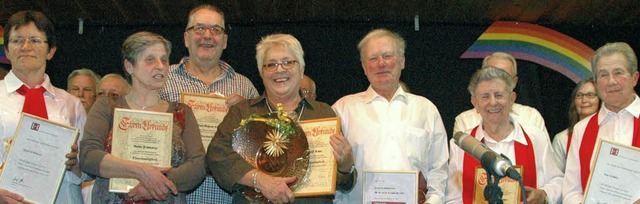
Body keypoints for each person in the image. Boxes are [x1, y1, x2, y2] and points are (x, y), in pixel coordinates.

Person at [208, 33, 356, 203]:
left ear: (301, 69)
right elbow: (217, 155)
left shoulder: (323, 113)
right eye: (271, 64)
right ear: (261, 72)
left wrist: (345, 166)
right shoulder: (242, 111)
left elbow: (344, 184)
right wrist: (260, 180)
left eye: (288, 62)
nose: (280, 69)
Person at [79, 31, 206, 203]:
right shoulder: (107, 106)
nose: (160, 66)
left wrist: (160, 183)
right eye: (150, 59)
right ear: (129, 66)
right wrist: (142, 172)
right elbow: (88, 156)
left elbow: (198, 166)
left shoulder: (182, 112)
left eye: (164, 59)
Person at [332, 28, 448, 204]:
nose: (381, 63)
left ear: (402, 61)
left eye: (387, 56)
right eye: (373, 58)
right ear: (364, 67)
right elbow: (330, 171)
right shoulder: (343, 109)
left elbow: (438, 169)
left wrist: (432, 201)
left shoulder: (426, 109)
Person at [158, 4, 259, 203]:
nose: (207, 36)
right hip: (173, 194)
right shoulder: (162, 80)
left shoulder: (245, 87)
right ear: (186, 38)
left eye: (215, 30)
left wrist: (247, 116)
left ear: (224, 41)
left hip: (227, 196)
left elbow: (259, 149)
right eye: (199, 28)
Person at [0, 10, 86, 203]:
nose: (26, 46)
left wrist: (75, 164)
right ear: (6, 51)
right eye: (17, 40)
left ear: (51, 51)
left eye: (35, 40)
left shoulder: (72, 104)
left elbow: (87, 169)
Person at [445, 67, 563, 204]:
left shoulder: (535, 137)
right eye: (485, 97)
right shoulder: (464, 144)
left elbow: (558, 182)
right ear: (475, 103)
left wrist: (543, 195)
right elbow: (452, 198)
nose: (493, 102)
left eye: (499, 95)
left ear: (512, 99)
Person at [563, 42, 640, 203]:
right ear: (596, 84)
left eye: (618, 72)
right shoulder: (581, 130)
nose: (611, 81)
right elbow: (571, 191)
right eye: (603, 75)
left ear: (635, 78)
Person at [453, 52, 547, 135]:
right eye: (490, 75)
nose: (496, 83)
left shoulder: (531, 117)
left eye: (504, 77)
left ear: (514, 82)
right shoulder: (465, 121)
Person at [551, 77, 600, 172]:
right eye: (579, 95)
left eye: (590, 95)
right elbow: (555, 178)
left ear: (600, 100)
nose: (584, 100)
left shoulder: (609, 133)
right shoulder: (562, 139)